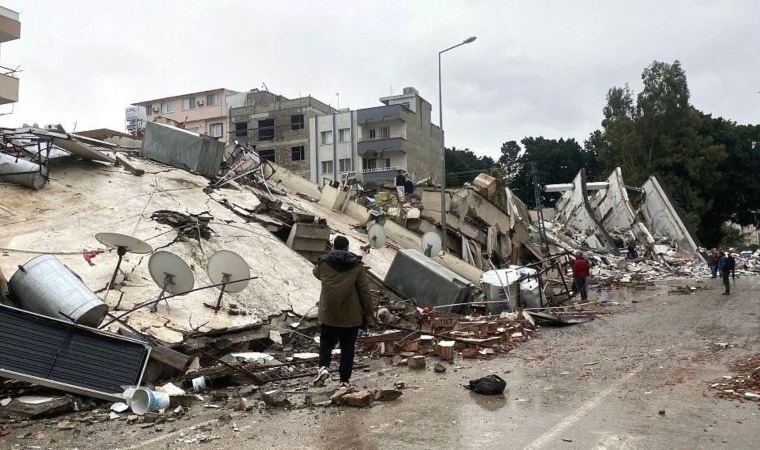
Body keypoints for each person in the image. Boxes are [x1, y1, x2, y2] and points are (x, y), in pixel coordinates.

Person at [312, 236, 374, 388]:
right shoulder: (357, 265)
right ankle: (344, 381)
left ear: (333, 246)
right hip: (350, 316)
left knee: (326, 342)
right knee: (347, 348)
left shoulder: (323, 262)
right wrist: (369, 313)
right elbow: (365, 291)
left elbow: (316, 273)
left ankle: (324, 367)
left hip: (329, 313)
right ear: (347, 248)